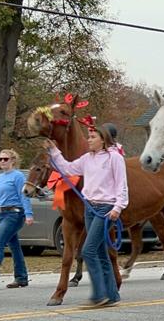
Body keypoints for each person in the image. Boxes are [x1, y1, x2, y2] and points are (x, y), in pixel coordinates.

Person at [44, 123, 127, 308]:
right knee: (99, 252)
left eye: (92, 137)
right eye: (88, 137)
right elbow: (67, 168)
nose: (88, 140)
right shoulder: (87, 159)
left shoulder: (114, 158)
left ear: (103, 139)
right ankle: (112, 295)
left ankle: (98, 295)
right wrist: (54, 150)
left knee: (88, 250)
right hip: (89, 207)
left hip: (105, 208)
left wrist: (118, 207)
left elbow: (122, 185)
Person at [0, 149, 34, 288]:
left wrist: (29, 214)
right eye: (0, 159)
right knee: (14, 246)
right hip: (1, 214)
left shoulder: (18, 176)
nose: (2, 162)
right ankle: (21, 278)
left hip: (14, 214)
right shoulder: (0, 178)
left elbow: (24, 196)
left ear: (13, 160)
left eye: (5, 159)